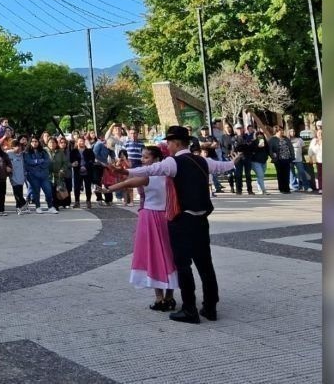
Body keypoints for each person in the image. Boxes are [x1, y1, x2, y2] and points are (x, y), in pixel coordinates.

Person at [121, 126, 237, 324]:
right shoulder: (202, 160)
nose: (167, 146)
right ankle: (210, 307)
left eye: (169, 142)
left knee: (183, 265)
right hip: (201, 219)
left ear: (175, 143)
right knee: (205, 264)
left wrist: (127, 170)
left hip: (182, 220)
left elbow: (151, 169)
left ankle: (189, 309)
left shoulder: (173, 163)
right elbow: (222, 166)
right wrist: (235, 161)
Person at [107, 146, 178, 312]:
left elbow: (129, 181)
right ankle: (169, 297)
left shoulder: (149, 176)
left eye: (146, 157)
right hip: (167, 216)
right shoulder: (170, 174)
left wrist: (108, 188)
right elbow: (130, 174)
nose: (143, 160)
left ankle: (160, 299)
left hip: (151, 218)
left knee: (153, 256)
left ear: (156, 159)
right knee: (169, 256)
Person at [23, 138, 53, 212]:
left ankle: (50, 207)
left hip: (44, 175)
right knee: (36, 192)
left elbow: (47, 162)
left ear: (38, 142)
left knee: (48, 191)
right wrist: (39, 161)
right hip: (33, 175)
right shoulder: (27, 153)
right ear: (30, 143)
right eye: (32, 141)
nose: (34, 143)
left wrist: (36, 164)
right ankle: (38, 207)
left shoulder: (43, 152)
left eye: (36, 141)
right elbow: (28, 163)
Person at [5, 137, 27, 214]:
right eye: (16, 146)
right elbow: (4, 162)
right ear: (12, 147)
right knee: (17, 193)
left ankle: (19, 207)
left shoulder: (22, 155)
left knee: (19, 192)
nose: (18, 148)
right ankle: (23, 204)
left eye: (19, 146)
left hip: (21, 176)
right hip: (13, 177)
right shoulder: (8, 154)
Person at [48, 137, 70, 211]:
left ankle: (56, 205)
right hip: (48, 175)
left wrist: (62, 169)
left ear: (56, 143)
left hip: (59, 175)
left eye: (53, 142)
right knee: (50, 190)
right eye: (50, 142)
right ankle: (51, 205)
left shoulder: (60, 152)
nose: (52, 144)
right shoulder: (45, 151)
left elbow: (65, 163)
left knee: (57, 190)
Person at [272, 127, 295, 194]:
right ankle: (282, 188)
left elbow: (291, 147)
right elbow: (270, 149)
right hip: (278, 159)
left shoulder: (286, 138)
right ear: (276, 131)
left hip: (287, 158)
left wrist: (292, 156)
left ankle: (287, 188)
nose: (282, 132)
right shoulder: (272, 139)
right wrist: (273, 157)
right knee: (280, 174)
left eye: (282, 130)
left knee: (286, 174)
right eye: (280, 131)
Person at [250, 130, 271, 195]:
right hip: (255, 161)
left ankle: (260, 189)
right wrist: (258, 147)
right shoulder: (253, 143)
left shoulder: (266, 143)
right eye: (258, 136)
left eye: (261, 136)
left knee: (260, 176)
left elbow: (268, 151)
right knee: (260, 175)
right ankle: (263, 190)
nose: (260, 137)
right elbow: (251, 151)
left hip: (263, 161)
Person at [309, 121, 323, 192]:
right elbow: (310, 150)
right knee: (320, 175)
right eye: (318, 133)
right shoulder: (314, 141)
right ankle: (321, 188)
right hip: (319, 160)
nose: (320, 134)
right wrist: (310, 158)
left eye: (321, 133)